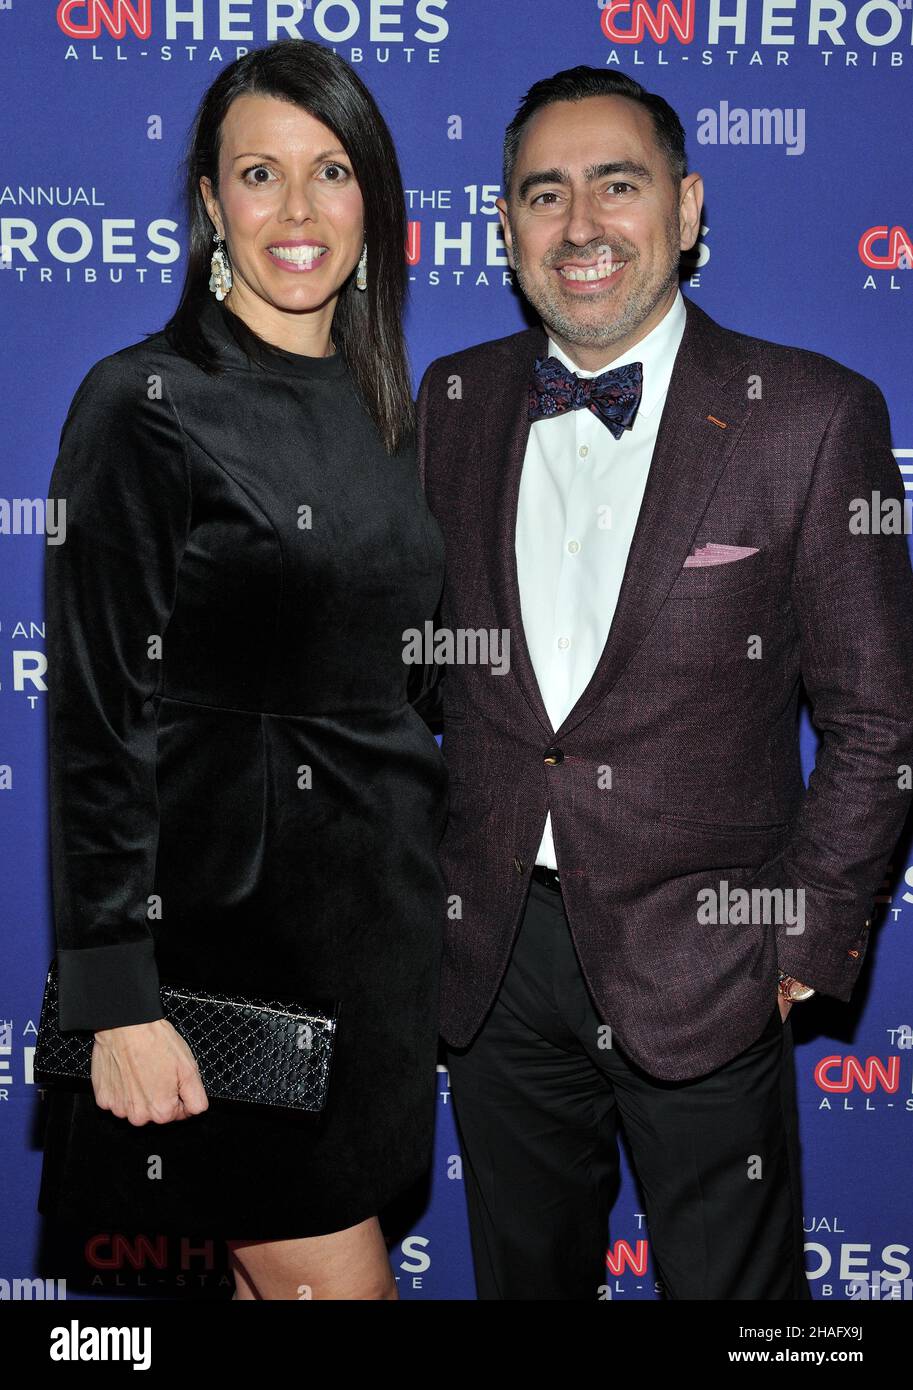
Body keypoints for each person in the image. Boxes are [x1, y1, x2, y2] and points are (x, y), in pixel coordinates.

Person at [416, 66, 913, 1299]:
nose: (579, 225)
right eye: (544, 194)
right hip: (495, 963)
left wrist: (799, 933)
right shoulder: (457, 401)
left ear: (686, 209)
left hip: (708, 958)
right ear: (506, 229)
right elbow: (418, 674)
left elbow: (877, 713)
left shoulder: (809, 414)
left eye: (617, 185)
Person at [38, 39, 447, 1302]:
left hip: (371, 945)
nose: (297, 209)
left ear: (371, 197)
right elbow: (100, 715)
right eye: (257, 173)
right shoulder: (145, 403)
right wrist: (116, 995)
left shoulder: (389, 413)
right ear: (211, 201)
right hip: (222, 947)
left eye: (329, 171)